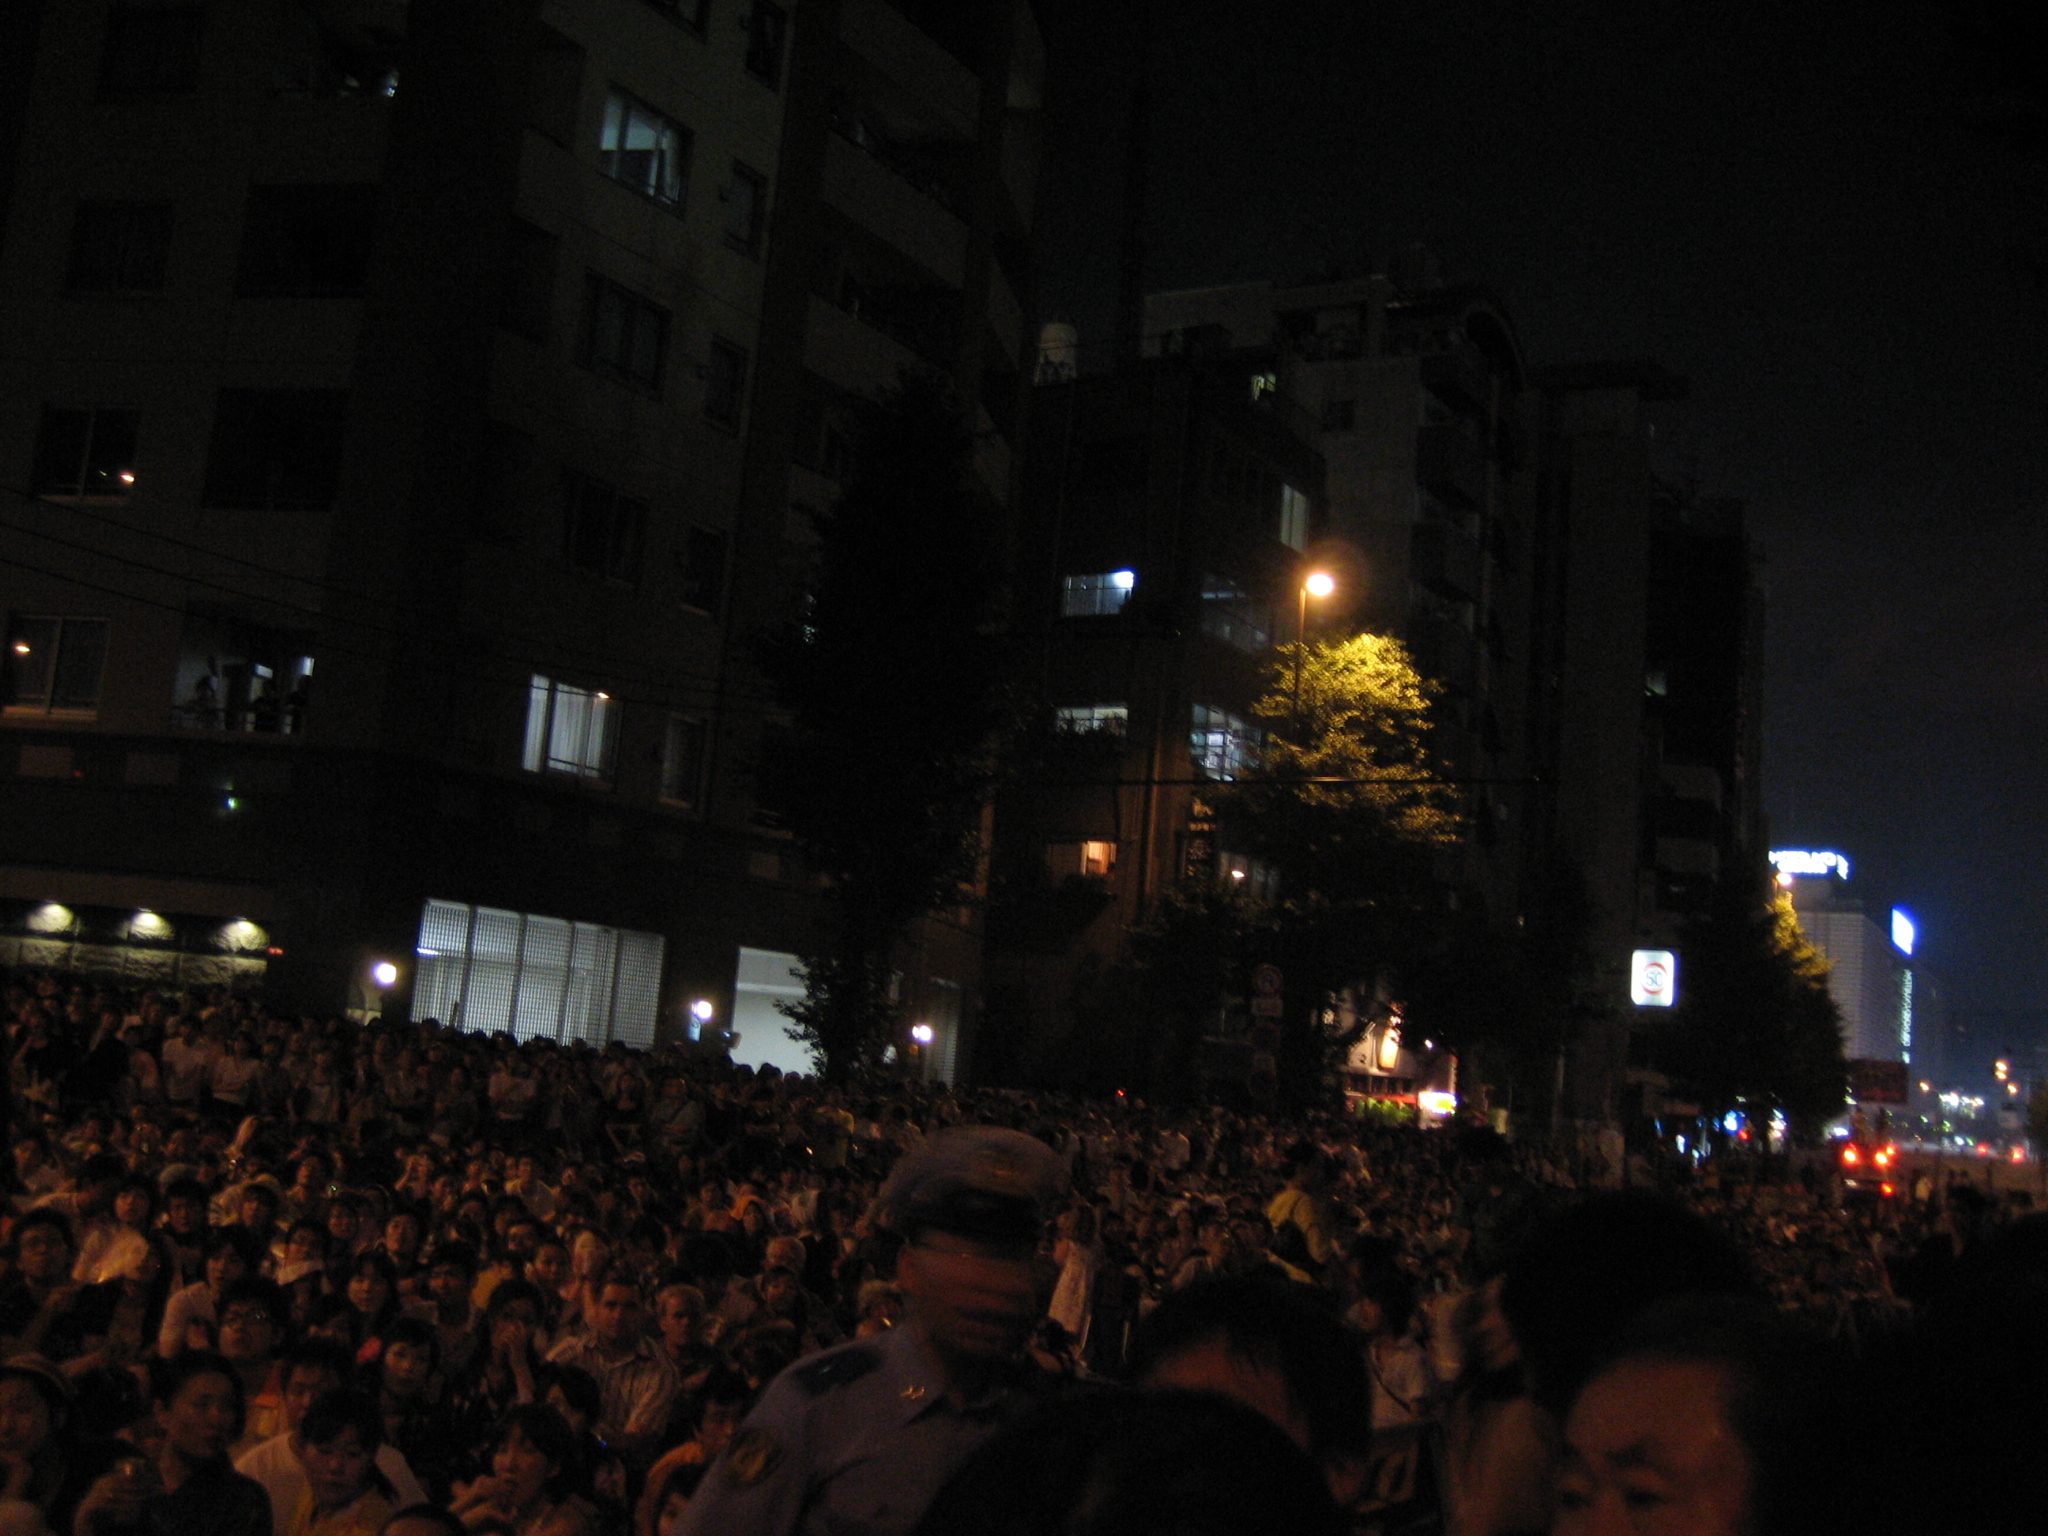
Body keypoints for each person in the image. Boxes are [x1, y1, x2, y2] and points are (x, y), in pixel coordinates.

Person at [677, 1125, 1066, 1536]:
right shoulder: (818, 1403)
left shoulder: (1049, 1416)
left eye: (1011, 1262)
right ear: (909, 1269)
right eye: (968, 1262)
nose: (993, 1287)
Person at [235, 1339, 428, 1536]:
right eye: (299, 1391)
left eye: (322, 1392)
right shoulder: (256, 1468)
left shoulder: (389, 1465)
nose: (308, 1402)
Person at [70, 1350, 271, 1536]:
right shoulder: (132, 1486)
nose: (217, 1418)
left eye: (227, 1406)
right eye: (202, 1405)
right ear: (163, 1413)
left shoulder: (244, 1501)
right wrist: (86, 1521)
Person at [446, 1405, 594, 1536]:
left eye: (528, 1450)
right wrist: (470, 1498)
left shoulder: (565, 1524)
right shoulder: (501, 1508)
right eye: (502, 1450)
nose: (509, 1463)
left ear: (554, 1466)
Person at [287, 1390, 397, 1536]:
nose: (335, 1466)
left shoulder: (372, 1527)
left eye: (352, 1454)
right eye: (325, 1451)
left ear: (371, 1457)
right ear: (302, 1450)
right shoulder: (311, 1493)